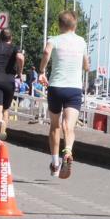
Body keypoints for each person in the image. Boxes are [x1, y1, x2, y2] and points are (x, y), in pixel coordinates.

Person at [39, 10, 90, 178]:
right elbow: (86, 65)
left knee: (55, 126)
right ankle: (67, 151)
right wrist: (84, 66)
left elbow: (46, 52)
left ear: (60, 25)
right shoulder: (81, 42)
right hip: (74, 89)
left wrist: (42, 70)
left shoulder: (54, 40)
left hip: (56, 87)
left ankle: (55, 163)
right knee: (69, 126)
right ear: (75, 25)